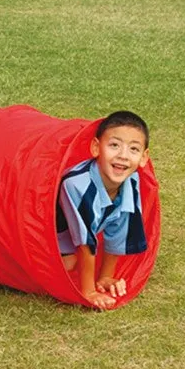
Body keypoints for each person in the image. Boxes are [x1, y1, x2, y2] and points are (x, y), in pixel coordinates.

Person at [56, 111, 150, 310]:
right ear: (96, 147)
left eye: (134, 149)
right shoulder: (76, 185)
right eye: (114, 145)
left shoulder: (131, 180)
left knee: (76, 260)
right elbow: (85, 243)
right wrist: (89, 291)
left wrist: (106, 276)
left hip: (77, 237)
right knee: (68, 266)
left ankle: (99, 274)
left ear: (143, 157)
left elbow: (120, 228)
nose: (123, 156)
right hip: (51, 235)